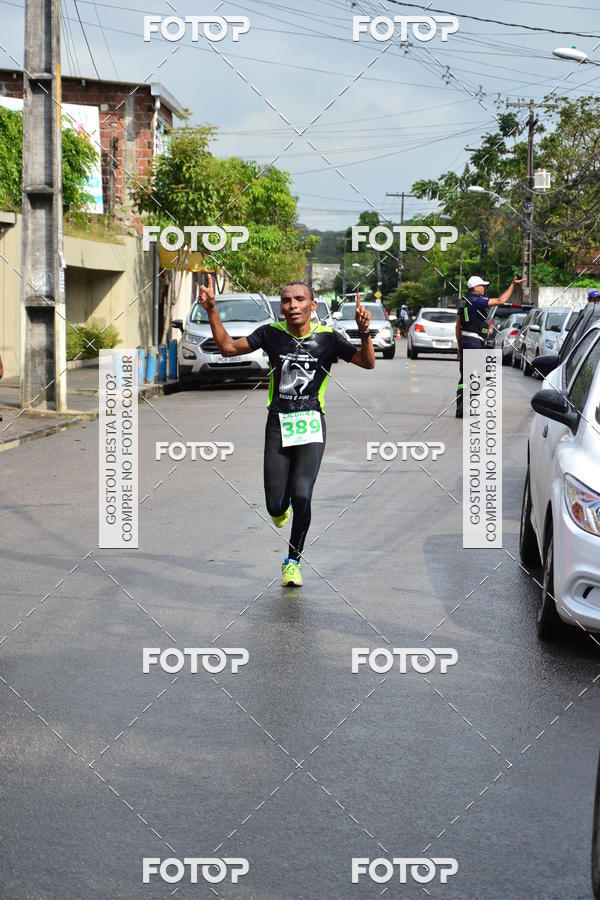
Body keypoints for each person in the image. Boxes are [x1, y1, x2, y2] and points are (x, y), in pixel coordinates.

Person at [198, 277, 375, 587]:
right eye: (286, 300)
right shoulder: (271, 334)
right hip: (278, 424)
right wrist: (212, 310)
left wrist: (363, 333)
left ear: (312, 305)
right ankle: (281, 507)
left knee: (302, 494)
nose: (292, 305)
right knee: (275, 506)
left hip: (310, 425)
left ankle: (293, 561)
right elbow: (227, 348)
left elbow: (366, 362)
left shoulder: (329, 339)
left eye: (299, 299)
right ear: (281, 307)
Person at [455, 274, 523, 418]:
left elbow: (458, 325)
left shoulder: (463, 302)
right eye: (482, 286)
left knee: (464, 377)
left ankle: (460, 407)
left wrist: (459, 346)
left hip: (465, 341)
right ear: (475, 288)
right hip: (474, 342)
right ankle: (468, 406)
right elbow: (501, 300)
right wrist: (512, 285)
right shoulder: (477, 301)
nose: (484, 288)